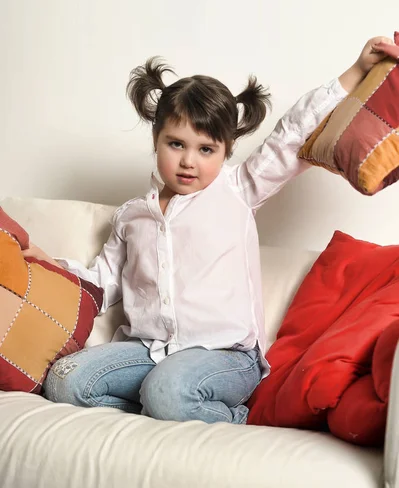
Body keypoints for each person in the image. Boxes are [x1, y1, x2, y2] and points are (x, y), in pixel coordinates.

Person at [24, 36, 392, 424]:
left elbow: (292, 136)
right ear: (156, 140)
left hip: (225, 355)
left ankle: (227, 416)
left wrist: (355, 72)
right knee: (65, 382)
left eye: (205, 149)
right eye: (176, 144)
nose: (188, 161)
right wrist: (49, 264)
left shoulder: (238, 191)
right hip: (148, 350)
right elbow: (102, 282)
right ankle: (166, 409)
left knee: (166, 390)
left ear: (226, 151)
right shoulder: (132, 216)